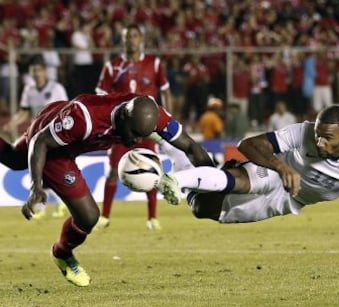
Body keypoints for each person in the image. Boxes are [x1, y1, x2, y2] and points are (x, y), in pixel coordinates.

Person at [0, 93, 213, 287]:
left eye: (143, 135)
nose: (138, 141)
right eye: (135, 134)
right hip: (53, 146)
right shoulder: (85, 120)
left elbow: (191, 147)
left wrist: (216, 182)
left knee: (11, 157)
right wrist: (36, 186)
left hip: (58, 123)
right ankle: (62, 254)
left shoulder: (154, 114)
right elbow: (40, 142)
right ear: (123, 119)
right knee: (89, 216)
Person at [157, 105, 339, 229]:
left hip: (291, 201)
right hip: (276, 173)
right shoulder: (303, 132)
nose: (320, 143)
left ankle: (175, 154)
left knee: (203, 209)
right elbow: (248, 145)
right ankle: (176, 179)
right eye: (318, 136)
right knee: (241, 180)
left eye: (328, 138)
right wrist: (281, 167)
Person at [95, 24, 172, 231]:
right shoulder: (112, 66)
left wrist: (169, 119)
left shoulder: (154, 64)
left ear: (141, 40)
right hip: (120, 129)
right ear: (123, 40)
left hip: (147, 127)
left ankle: (152, 217)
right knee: (112, 171)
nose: (131, 40)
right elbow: (100, 96)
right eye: (127, 37)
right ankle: (105, 216)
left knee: (151, 169)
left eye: (135, 36)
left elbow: (165, 91)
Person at [2, 55, 68, 219]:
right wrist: (12, 123)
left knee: (47, 170)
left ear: (44, 71)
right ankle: (46, 206)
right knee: (40, 171)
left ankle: (53, 204)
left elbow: (67, 110)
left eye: (39, 70)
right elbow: (24, 112)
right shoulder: (29, 90)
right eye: (33, 71)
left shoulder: (56, 88)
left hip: (54, 136)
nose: (36, 74)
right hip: (36, 136)